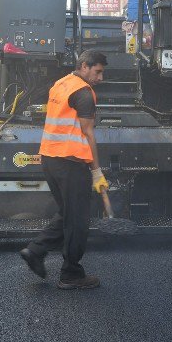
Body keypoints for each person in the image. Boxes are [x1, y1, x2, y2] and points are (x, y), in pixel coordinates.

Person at [19, 50, 108, 290]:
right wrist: (97, 171)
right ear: (84, 66)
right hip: (70, 163)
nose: (100, 78)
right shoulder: (84, 93)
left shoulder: (60, 84)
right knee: (78, 220)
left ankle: (35, 250)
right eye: (97, 71)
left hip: (49, 158)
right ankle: (71, 274)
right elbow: (89, 134)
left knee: (69, 212)